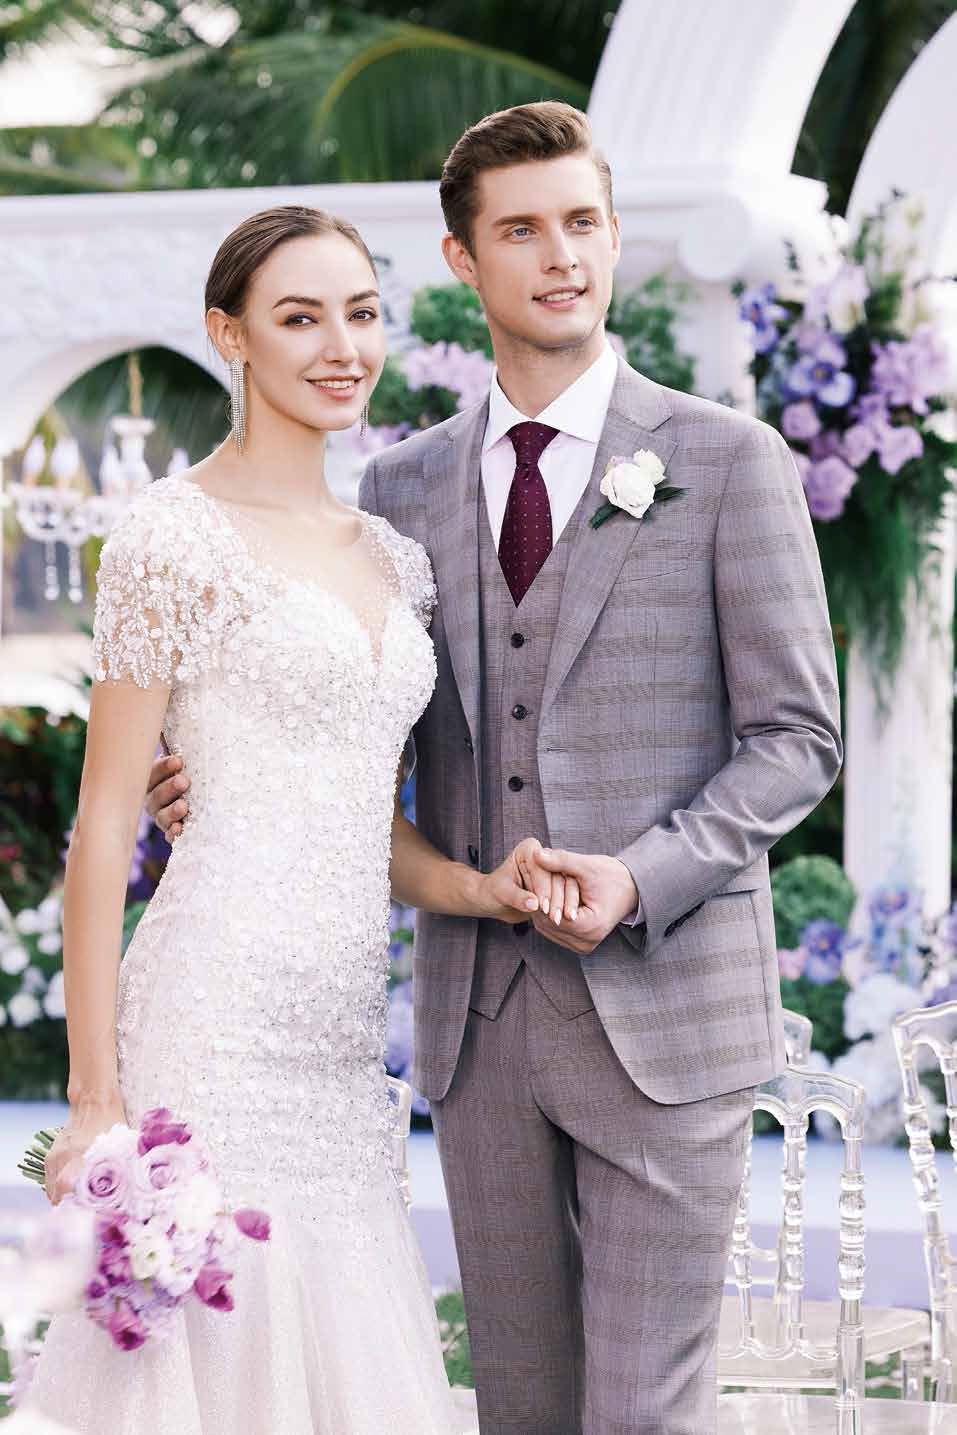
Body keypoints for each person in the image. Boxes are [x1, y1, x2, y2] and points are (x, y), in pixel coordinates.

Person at [150, 103, 842, 1435]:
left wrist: (639, 878)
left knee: (645, 1410)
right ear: (467, 262)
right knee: (519, 1406)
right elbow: (362, 733)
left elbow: (795, 740)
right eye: (521, 230)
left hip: (669, 1020)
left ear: (614, 236)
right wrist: (234, 776)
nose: (561, 256)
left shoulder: (726, 462)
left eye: (582, 223)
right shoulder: (396, 490)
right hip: (481, 1033)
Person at [24, 203, 558, 1435]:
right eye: (300, 316)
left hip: (337, 1043)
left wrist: (477, 887)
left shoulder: (394, 556)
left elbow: (359, 810)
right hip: (208, 1011)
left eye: (362, 313)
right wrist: (95, 1091)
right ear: (232, 335)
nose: (341, 346)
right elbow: (107, 822)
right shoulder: (171, 533)